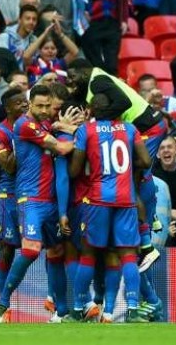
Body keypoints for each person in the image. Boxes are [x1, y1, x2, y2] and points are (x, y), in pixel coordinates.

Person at [65, 93, 152, 323]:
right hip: (126, 198)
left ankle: (77, 307)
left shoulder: (87, 130)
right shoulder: (130, 129)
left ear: (93, 110)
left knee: (89, 254)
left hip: (99, 199)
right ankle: (132, 307)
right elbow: (146, 161)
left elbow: (74, 171)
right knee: (127, 255)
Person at [0, 85, 74, 323]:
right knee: (30, 250)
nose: (45, 110)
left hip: (51, 201)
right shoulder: (24, 125)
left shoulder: (47, 124)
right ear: (30, 105)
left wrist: (65, 125)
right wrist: (89, 135)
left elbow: (56, 130)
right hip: (31, 199)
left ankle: (62, 312)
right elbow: (61, 147)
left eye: (48, 105)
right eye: (40, 106)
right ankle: (2, 304)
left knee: (56, 252)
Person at [0, 88, 29, 299]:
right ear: (7, 108)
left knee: (50, 248)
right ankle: (3, 301)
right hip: (10, 194)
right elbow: (9, 167)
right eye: (19, 103)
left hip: (34, 191)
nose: (24, 105)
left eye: (25, 101)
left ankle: (56, 302)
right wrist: (22, 138)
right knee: (8, 248)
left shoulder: (34, 124)